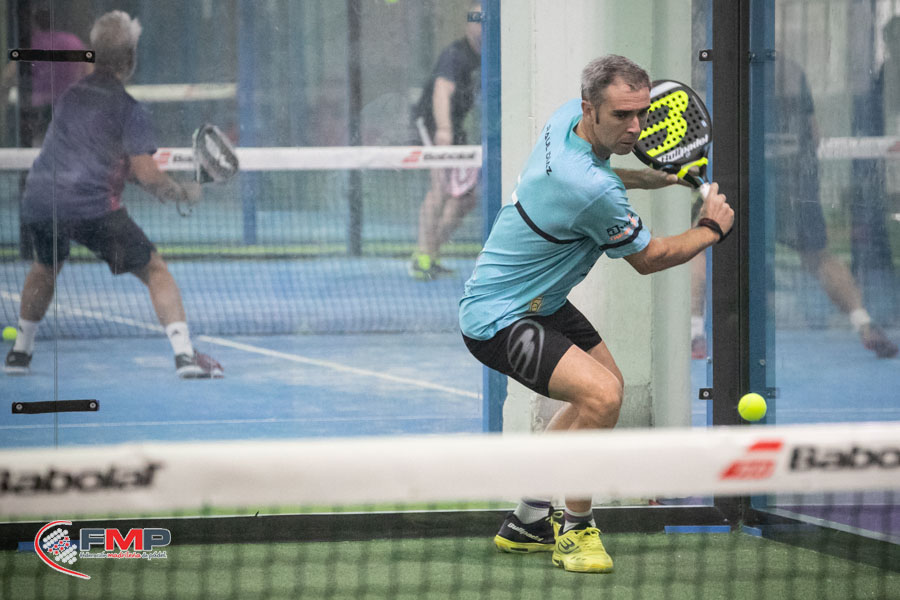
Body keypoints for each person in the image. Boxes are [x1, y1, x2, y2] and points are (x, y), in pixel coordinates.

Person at [459, 55, 734, 573]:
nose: (636, 127)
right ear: (590, 108)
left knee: (606, 389)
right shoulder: (591, 190)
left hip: (542, 302)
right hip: (498, 319)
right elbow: (650, 258)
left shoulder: (566, 118)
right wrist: (710, 228)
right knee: (601, 396)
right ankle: (576, 528)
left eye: (642, 113)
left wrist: (649, 179)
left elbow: (599, 175)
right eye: (621, 116)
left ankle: (528, 520)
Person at [4, 10, 223, 378]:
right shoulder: (129, 110)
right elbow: (147, 175)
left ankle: (20, 353)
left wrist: (156, 183)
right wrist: (183, 193)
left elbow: (105, 162)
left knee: (45, 266)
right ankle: (185, 357)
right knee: (155, 270)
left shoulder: (70, 97)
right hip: (92, 209)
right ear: (131, 59)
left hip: (41, 200)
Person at [690, 55, 897, 360]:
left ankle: (695, 333)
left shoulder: (721, 62)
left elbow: (704, 128)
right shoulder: (790, 69)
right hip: (788, 182)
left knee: (701, 246)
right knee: (819, 256)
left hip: (736, 176)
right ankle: (864, 322)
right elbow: (813, 134)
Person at [409, 2, 482, 280]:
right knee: (439, 188)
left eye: (483, 19)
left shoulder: (487, 58)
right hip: (434, 126)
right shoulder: (456, 54)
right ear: (467, 24)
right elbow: (442, 90)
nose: (479, 24)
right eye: (474, 18)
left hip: (457, 130)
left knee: (466, 198)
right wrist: (443, 131)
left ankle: (429, 253)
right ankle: (422, 257)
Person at [0, 7, 93, 147]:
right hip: (69, 113)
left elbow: (6, 79)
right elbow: (92, 77)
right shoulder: (74, 43)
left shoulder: (32, 46)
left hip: (39, 116)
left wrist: (4, 117)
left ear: (35, 22)